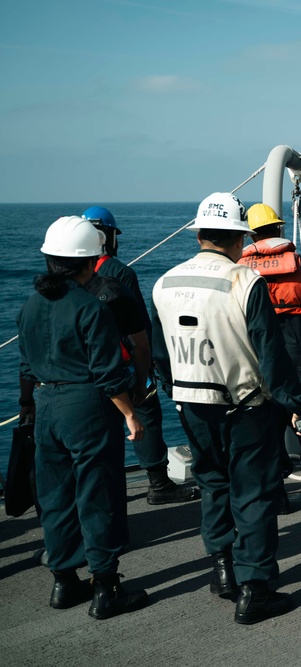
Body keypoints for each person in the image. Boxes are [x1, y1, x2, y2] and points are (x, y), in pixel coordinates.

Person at [152, 193, 301, 624]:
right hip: (245, 407)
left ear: (200, 233)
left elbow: (158, 354)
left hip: (191, 405)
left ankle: (222, 570)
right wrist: (297, 406)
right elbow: (270, 354)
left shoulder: (164, 282)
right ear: (238, 237)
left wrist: (178, 390)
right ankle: (255, 590)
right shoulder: (244, 282)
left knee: (213, 485)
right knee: (254, 494)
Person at [18, 216, 148, 620]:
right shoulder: (92, 308)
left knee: (55, 496)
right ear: (93, 261)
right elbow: (108, 373)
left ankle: (63, 581)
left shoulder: (31, 305)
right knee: (99, 493)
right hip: (87, 407)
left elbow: (25, 366)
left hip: (45, 405)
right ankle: (106, 588)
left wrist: (30, 410)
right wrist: (130, 414)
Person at [82, 205, 200, 505]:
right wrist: (149, 372)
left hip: (83, 369)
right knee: (146, 418)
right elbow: (139, 328)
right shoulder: (119, 272)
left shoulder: (66, 276)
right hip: (122, 364)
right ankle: (159, 484)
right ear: (107, 236)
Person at [238, 203, 301, 517]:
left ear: (252, 234)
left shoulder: (240, 268)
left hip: (259, 358)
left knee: (269, 425)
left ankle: (280, 496)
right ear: (280, 229)